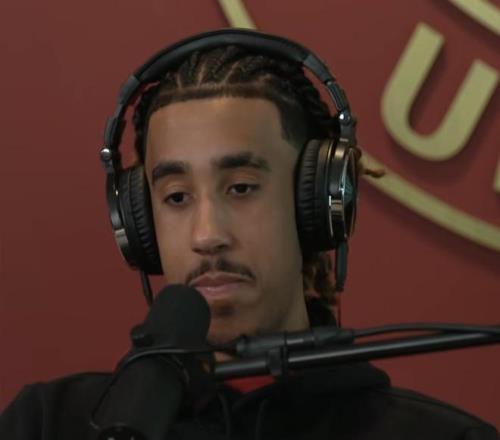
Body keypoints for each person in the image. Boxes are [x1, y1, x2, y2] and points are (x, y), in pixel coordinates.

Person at [1, 29, 498, 440]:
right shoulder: (47, 424)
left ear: (315, 204)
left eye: (241, 188)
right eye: (177, 197)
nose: (207, 235)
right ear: (139, 223)